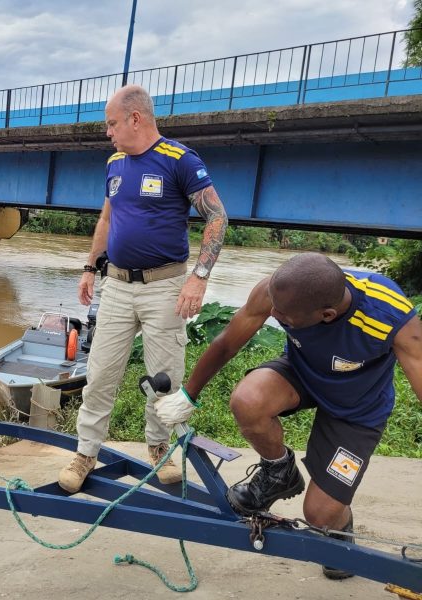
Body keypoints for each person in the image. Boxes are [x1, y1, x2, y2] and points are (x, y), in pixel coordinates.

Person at [154, 252, 422, 579]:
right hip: (302, 376)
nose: (274, 313)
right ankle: (279, 472)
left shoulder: (390, 314)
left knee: (320, 515)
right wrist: (188, 395)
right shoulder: (277, 291)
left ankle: (340, 526)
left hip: (358, 408)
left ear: (326, 314)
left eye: (284, 317)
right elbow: (227, 343)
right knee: (247, 400)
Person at [58, 85, 228, 493]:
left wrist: (198, 278)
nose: (108, 132)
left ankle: (160, 450)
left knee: (163, 378)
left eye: (112, 123)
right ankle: (85, 454)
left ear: (136, 118)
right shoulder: (115, 163)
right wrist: (88, 268)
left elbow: (217, 218)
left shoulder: (180, 161)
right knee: (99, 375)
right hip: (116, 284)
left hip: (164, 286)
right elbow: (106, 220)